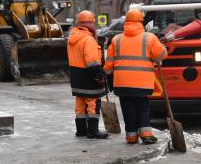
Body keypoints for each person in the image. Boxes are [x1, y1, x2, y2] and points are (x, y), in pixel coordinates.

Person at [104, 9, 167, 144]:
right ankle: (146, 134)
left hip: (122, 84)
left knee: (128, 109)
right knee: (142, 107)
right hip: (142, 83)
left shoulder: (116, 39)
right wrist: (161, 46)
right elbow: (161, 56)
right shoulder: (149, 38)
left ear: (126, 22)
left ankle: (131, 136)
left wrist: (107, 75)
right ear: (141, 22)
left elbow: (108, 67)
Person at [67, 10, 109, 139]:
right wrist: (100, 77)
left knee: (80, 103)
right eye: (93, 24)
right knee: (92, 103)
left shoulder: (72, 38)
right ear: (90, 24)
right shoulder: (88, 40)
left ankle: (81, 130)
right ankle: (92, 131)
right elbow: (92, 63)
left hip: (76, 77)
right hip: (88, 77)